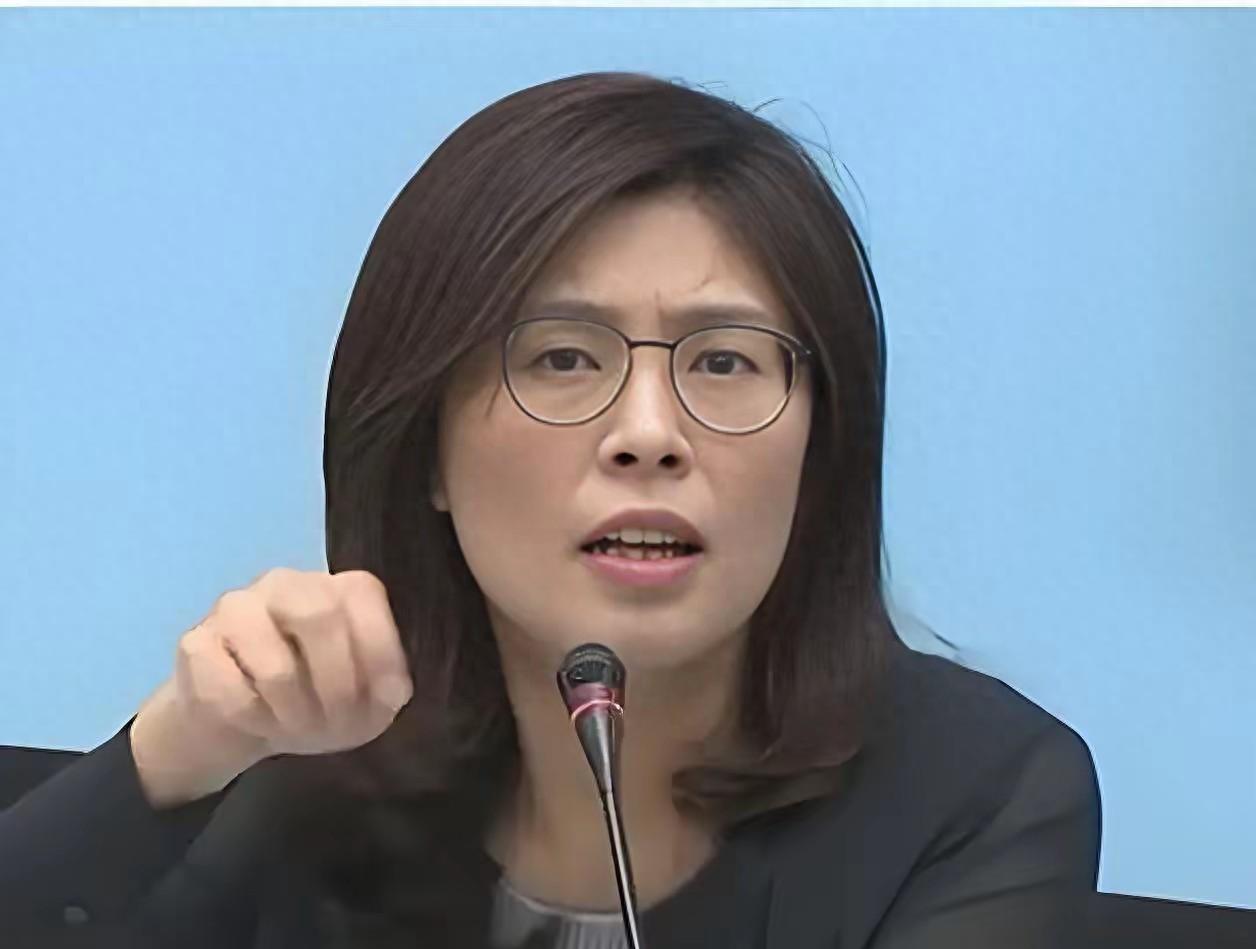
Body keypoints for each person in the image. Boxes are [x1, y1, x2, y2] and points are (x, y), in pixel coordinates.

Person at [0, 71, 1101, 949]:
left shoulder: (979, 795)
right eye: (563, 358)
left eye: (724, 361)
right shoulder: (317, 780)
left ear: (820, 450)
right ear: (426, 449)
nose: (649, 432)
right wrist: (173, 753)